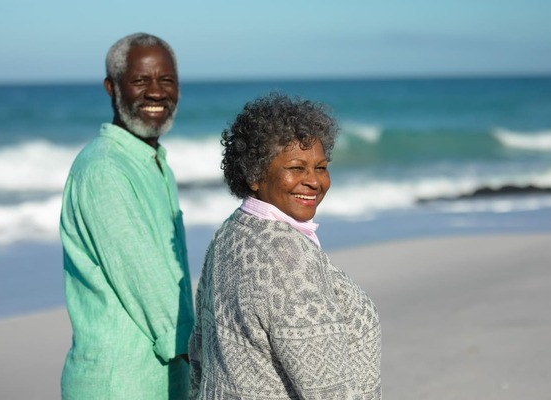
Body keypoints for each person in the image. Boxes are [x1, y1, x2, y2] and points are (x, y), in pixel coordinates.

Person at [188, 93, 382, 399]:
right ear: (254, 174)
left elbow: (199, 351)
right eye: (296, 167)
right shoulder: (287, 257)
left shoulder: (231, 232)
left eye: (320, 167)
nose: (314, 181)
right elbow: (328, 389)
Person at [60, 33, 194, 399]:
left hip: (161, 378)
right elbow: (148, 280)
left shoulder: (153, 162)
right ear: (111, 87)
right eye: (140, 80)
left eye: (166, 80)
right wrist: (206, 359)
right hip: (121, 382)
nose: (156, 92)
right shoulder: (104, 168)